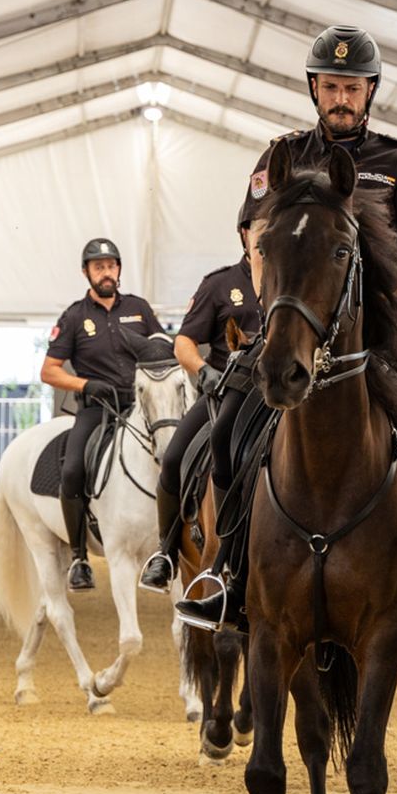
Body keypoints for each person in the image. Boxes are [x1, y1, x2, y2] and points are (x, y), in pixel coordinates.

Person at [174, 24, 397, 633]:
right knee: (229, 430)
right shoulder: (281, 158)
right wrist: (277, 309)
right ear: (315, 90)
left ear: (370, 92)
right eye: (332, 87)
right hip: (297, 327)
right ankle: (226, 574)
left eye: (353, 88)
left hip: (379, 336)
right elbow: (261, 243)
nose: (342, 98)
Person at [136, 243, 264, 592]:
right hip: (224, 393)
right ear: (245, 233)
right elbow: (184, 343)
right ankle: (165, 552)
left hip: (279, 396)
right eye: (259, 226)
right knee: (175, 457)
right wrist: (203, 370)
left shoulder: (297, 275)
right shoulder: (219, 285)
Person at [41, 238, 164, 590]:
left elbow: (160, 351)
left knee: (176, 458)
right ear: (86, 273)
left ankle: (169, 550)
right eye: (98, 267)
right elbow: (49, 371)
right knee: (73, 469)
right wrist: (84, 385)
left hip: (139, 407)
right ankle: (80, 557)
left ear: (119, 270)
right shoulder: (75, 317)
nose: (106, 272)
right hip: (97, 409)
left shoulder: (140, 309)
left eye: (111, 266)